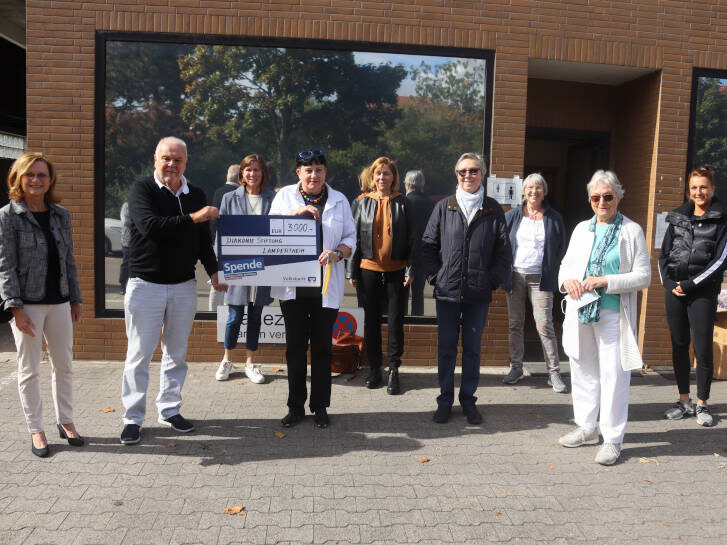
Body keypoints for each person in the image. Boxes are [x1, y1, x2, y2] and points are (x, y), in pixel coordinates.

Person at [120, 136, 225, 445]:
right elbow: (151, 227)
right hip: (145, 285)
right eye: (166, 158)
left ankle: (169, 409)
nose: (171, 164)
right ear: (156, 159)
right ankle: (132, 417)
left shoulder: (197, 194)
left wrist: (214, 271)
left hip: (183, 285)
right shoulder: (143, 189)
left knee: (176, 354)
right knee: (139, 355)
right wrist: (195, 217)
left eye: (177, 159)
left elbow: (203, 240)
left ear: (185, 163)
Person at [558, 170, 650, 465]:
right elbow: (566, 266)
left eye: (608, 197)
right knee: (582, 368)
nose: (602, 202)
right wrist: (567, 282)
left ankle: (612, 439)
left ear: (619, 197)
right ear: (589, 199)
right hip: (581, 309)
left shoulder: (631, 230)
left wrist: (606, 281)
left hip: (612, 312)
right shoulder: (582, 229)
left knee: (613, 375)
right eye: (596, 197)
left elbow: (643, 276)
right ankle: (586, 428)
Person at [0, 152, 84, 457]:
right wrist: (15, 307)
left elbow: (69, 261)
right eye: (30, 175)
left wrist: (75, 298)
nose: (36, 180)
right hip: (28, 306)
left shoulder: (61, 214)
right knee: (29, 369)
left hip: (60, 302)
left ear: (50, 181)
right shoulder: (7, 216)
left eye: (42, 175)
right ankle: (36, 429)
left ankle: (66, 421)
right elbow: (5, 265)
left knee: (64, 366)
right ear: (19, 179)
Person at [421, 152, 511, 425]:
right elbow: (427, 245)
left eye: (473, 171)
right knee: (447, 348)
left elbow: (504, 253)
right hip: (447, 293)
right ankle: (445, 401)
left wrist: (491, 280)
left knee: (472, 349)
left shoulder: (493, 209)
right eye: (463, 172)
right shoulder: (444, 207)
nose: (468, 176)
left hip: (477, 293)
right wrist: (436, 276)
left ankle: (469, 400)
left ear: (482, 174)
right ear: (456, 174)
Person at [269, 149, 355, 428]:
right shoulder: (284, 197)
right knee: (294, 349)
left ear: (325, 173)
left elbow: (350, 239)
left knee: (322, 350)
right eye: (308, 170)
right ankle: (295, 407)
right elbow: (268, 232)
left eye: (318, 169)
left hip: (325, 286)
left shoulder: (339, 200)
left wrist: (337, 254)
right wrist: (296, 213)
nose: (314, 175)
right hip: (292, 287)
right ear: (299, 173)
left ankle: (319, 406)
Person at [659, 165, 727, 427]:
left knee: (702, 347)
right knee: (678, 345)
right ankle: (684, 400)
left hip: (702, 293)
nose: (699, 192)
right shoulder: (677, 217)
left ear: (712, 189)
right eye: (694, 188)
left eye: (703, 187)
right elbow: (663, 254)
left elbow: (721, 260)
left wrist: (689, 284)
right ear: (688, 191)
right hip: (675, 290)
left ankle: (702, 404)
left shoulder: (722, 219)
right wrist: (669, 283)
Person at [347, 157, 416, 395]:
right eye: (378, 174)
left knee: (396, 323)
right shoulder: (361, 202)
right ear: (372, 177)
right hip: (368, 270)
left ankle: (394, 370)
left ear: (394, 177)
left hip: (397, 272)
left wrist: (411, 267)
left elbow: (412, 239)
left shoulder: (404, 203)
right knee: (371, 323)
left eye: (386, 174)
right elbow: (353, 238)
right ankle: (374, 369)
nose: (382, 178)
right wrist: (351, 270)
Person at [502, 173, 567, 392]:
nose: (533, 191)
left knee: (544, 325)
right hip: (515, 277)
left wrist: (553, 268)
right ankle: (516, 367)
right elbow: (502, 244)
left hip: (541, 278)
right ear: (523, 191)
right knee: (515, 324)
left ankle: (554, 373)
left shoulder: (553, 217)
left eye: (538, 187)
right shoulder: (512, 215)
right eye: (529, 187)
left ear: (544, 192)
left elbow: (561, 248)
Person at [215, 154, 275, 384]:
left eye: (257, 170)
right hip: (236, 265)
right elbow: (221, 234)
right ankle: (227, 359)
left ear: (263, 173)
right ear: (242, 173)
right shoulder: (229, 198)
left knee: (255, 316)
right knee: (234, 316)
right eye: (248, 170)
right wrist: (219, 267)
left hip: (263, 267)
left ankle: (250, 362)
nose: (252, 174)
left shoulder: (273, 198)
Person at [208, 165, 241, 311]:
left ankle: (212, 313)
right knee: (233, 283)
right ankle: (228, 312)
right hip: (238, 244)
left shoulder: (218, 192)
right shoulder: (241, 193)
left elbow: (213, 221)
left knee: (216, 282)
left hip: (219, 243)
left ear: (228, 176)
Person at [404, 170, 434, 316]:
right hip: (422, 255)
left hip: (403, 255)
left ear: (407, 185)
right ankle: (418, 323)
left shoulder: (403, 202)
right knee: (418, 295)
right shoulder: (431, 204)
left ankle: (402, 322)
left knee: (401, 295)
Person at [119, 201, 132, 295]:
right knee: (125, 264)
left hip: (139, 241)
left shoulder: (142, 204)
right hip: (127, 241)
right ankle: (123, 285)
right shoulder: (126, 205)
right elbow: (125, 221)